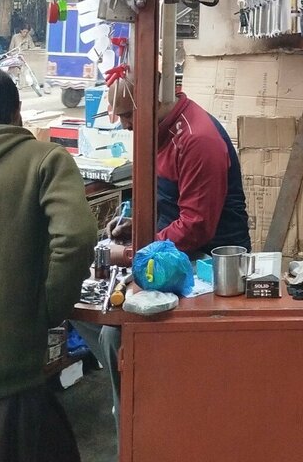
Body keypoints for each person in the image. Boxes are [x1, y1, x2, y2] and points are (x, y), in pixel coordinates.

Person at [73, 75, 250, 444]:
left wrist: (134, 254)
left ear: (152, 102)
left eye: (127, 116)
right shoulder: (157, 132)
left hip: (205, 262)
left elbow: (195, 228)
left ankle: (135, 427)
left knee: (116, 334)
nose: (124, 125)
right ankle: (133, 382)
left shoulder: (198, 139)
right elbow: (159, 199)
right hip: (169, 250)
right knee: (74, 301)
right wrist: (132, 221)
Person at [0, 69, 97, 462]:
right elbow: (77, 237)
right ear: (17, 113)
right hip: (6, 383)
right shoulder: (44, 159)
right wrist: (48, 308)